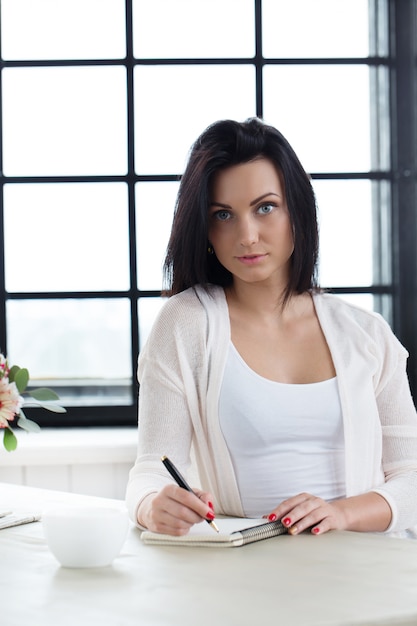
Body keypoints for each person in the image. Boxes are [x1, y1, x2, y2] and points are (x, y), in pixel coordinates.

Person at [126, 117, 417, 538]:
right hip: (248, 576)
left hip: (365, 569)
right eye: (223, 215)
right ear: (204, 229)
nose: (246, 236)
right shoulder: (185, 324)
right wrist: (152, 506)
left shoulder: (367, 335)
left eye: (266, 207)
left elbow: (410, 476)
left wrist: (341, 514)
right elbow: (150, 471)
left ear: (297, 211)